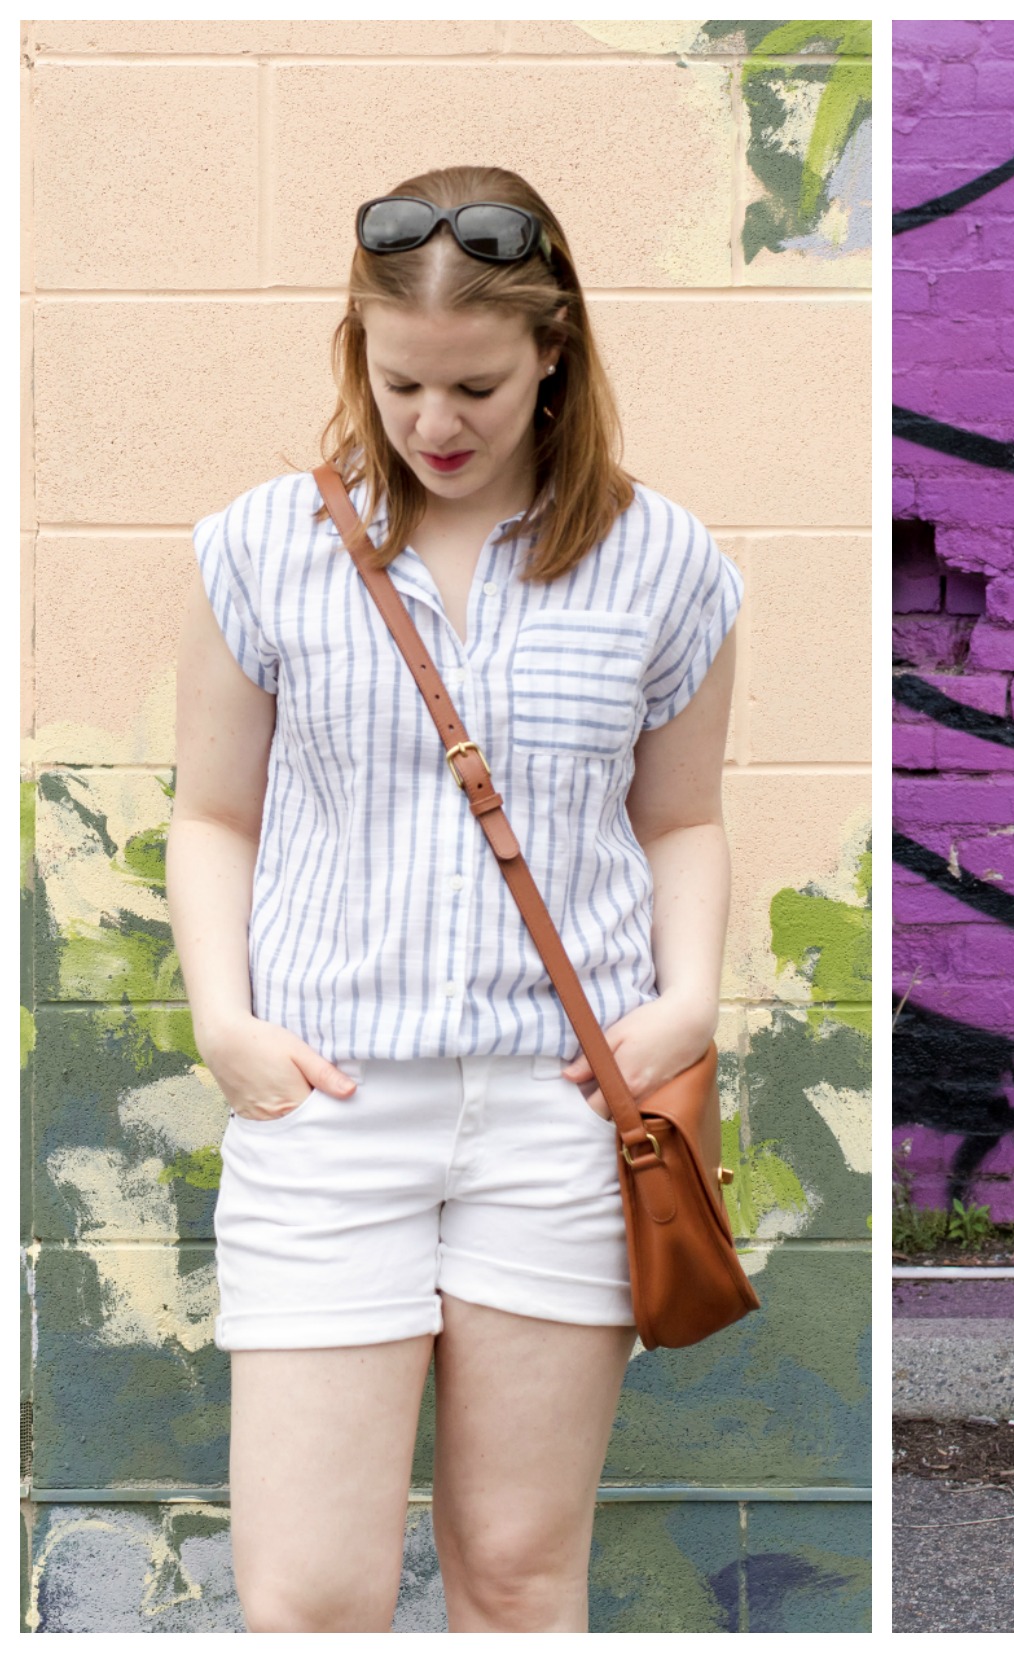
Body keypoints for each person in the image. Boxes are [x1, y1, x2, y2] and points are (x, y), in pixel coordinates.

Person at [166, 165, 741, 1631]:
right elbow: (214, 812)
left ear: (555, 353)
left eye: (477, 383)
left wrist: (682, 1002)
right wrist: (224, 1021)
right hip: (329, 1106)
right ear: (355, 350)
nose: (436, 422)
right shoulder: (260, 550)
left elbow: (680, 819)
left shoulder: (663, 561)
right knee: (308, 1595)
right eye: (400, 378)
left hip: (563, 1112)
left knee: (519, 1575)